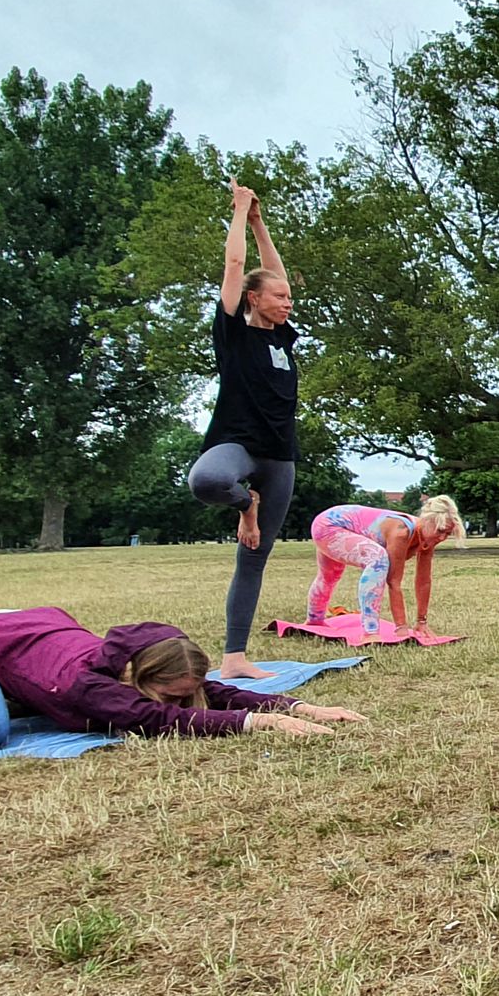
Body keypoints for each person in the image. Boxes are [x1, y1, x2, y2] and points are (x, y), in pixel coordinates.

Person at [0, 607, 364, 753]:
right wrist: (260, 725)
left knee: (18, 708)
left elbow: (214, 691)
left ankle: (2, 696)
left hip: (18, 655)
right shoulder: (89, 684)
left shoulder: (140, 664)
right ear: (137, 675)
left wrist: (297, 707)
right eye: (170, 692)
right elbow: (154, 719)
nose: (184, 702)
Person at [185, 180, 299, 679]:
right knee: (206, 481)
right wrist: (237, 212)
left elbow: (272, 270)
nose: (288, 301)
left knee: (254, 556)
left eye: (290, 296)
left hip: (279, 456)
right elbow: (236, 267)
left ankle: (235, 657)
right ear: (254, 299)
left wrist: (260, 223)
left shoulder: (283, 337)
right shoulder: (234, 332)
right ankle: (243, 504)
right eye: (278, 296)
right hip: (236, 446)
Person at [305, 496, 467, 645]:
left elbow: (423, 581)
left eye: (448, 533)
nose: (442, 538)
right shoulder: (401, 531)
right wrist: (401, 627)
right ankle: (370, 632)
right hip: (329, 525)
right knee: (378, 559)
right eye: (440, 530)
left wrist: (421, 622)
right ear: (427, 521)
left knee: (330, 575)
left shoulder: (426, 538)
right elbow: (394, 581)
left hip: (335, 525)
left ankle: (314, 620)